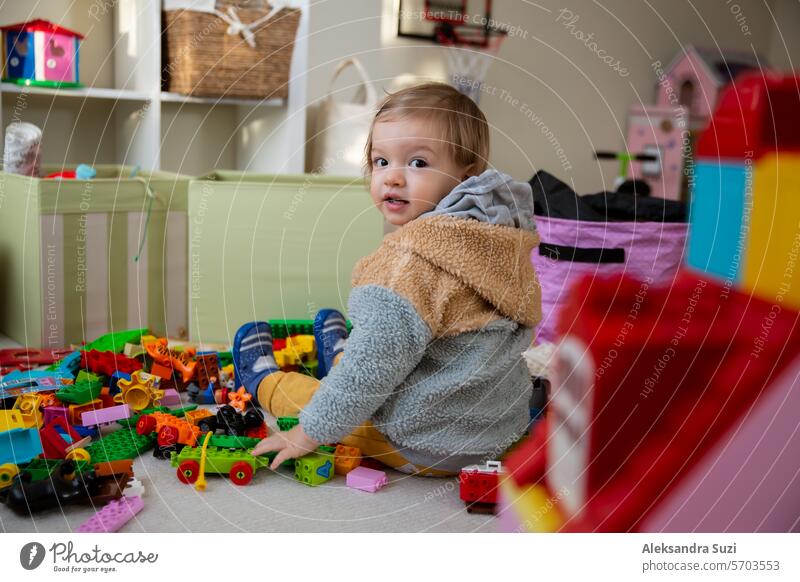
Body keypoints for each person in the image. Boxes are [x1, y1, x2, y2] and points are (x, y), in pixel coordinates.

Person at [233, 82, 540, 476]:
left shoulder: (410, 263)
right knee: (383, 345)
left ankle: (264, 379)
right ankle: (344, 349)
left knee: (328, 388)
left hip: (427, 441)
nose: (392, 178)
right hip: (496, 431)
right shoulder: (495, 242)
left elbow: (372, 367)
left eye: (417, 163)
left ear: (467, 175)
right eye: (381, 161)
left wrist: (308, 433)